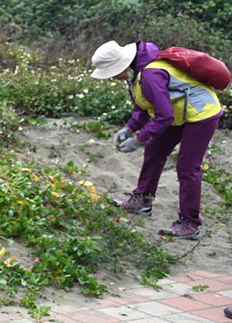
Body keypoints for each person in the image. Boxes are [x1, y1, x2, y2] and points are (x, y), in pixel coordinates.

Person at [90, 40, 223, 240]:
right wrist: (130, 127)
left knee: (187, 166)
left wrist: (139, 139)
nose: (112, 77)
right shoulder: (134, 74)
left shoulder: (150, 74)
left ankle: (190, 223)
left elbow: (164, 116)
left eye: (112, 72)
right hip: (179, 113)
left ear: (123, 65)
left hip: (202, 114)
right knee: (154, 152)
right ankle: (143, 200)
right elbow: (143, 107)